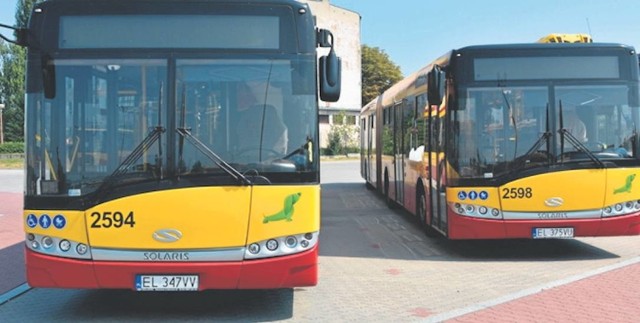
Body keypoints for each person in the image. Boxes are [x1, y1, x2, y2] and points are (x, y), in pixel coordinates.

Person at [235, 83, 287, 160]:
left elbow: (281, 150)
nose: (254, 127)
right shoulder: (243, 128)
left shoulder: (278, 135)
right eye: (250, 123)